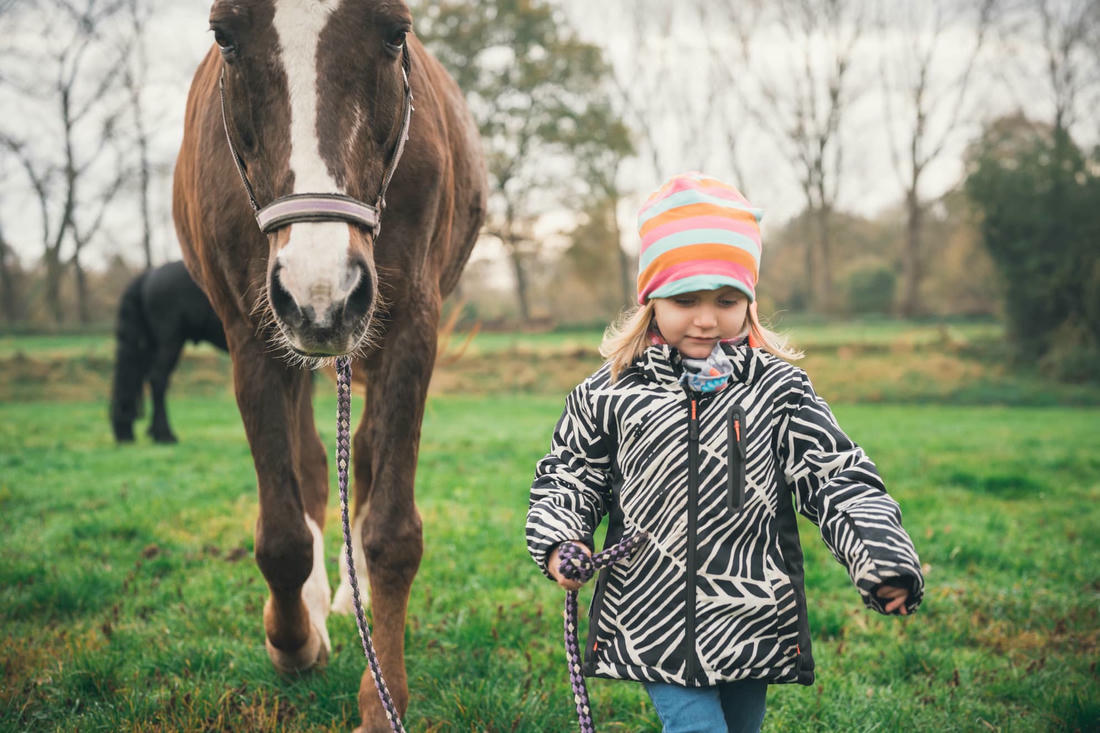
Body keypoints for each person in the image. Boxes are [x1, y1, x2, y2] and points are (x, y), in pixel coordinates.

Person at [525, 172, 924, 733]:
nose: (707, 319)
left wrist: (881, 559)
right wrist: (559, 539)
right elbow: (570, 473)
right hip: (652, 611)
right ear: (651, 300)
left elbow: (835, 475)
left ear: (749, 302)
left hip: (751, 611)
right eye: (686, 300)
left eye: (727, 300)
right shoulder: (611, 393)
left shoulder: (779, 390)